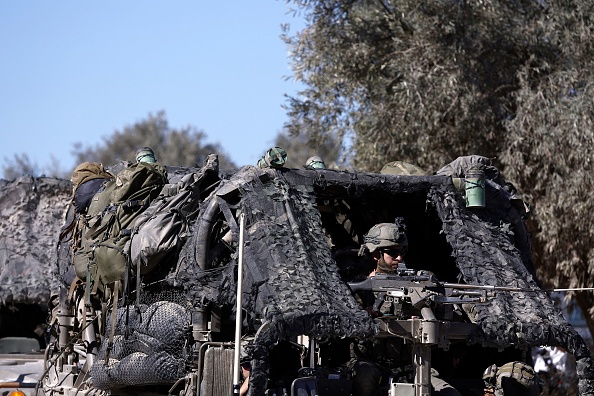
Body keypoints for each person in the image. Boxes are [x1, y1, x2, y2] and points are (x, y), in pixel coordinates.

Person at [351, 219, 461, 396]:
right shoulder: (360, 287)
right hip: (372, 363)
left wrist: (428, 308)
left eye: (402, 252)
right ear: (374, 254)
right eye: (392, 252)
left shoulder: (419, 283)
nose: (399, 258)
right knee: (362, 377)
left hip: (414, 364)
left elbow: (453, 319)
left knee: (450, 394)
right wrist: (364, 315)